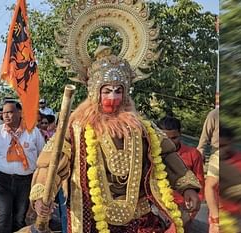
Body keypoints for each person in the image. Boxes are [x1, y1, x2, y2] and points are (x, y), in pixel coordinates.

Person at [28, 47, 202, 233]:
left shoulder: (142, 127)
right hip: (92, 217)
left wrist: (188, 188)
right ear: (95, 93)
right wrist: (41, 197)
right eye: (107, 91)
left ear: (125, 93)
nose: (113, 98)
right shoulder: (76, 127)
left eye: (118, 91)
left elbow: (167, 157)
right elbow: (51, 163)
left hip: (138, 217)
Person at [0, 100, 45, 233]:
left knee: (19, 217)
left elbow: (43, 156)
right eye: (4, 112)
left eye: (10, 112)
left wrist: (41, 180)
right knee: (4, 217)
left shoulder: (33, 132)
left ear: (20, 113)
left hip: (26, 180)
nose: (6, 115)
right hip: (2, 179)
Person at [157, 116, 205, 230]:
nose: (170, 142)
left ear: (180, 134)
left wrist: (192, 211)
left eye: (174, 138)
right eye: (165, 138)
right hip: (158, 206)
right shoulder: (153, 154)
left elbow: (200, 182)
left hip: (183, 207)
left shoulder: (193, 154)